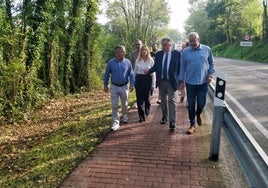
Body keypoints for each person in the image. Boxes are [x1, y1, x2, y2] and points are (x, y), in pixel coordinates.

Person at [179, 32, 215, 134]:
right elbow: (182, 67)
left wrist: (210, 74)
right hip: (190, 83)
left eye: (194, 40)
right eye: (190, 41)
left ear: (198, 39)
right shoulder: (185, 52)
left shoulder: (207, 49)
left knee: (201, 103)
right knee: (191, 105)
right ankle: (192, 125)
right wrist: (181, 81)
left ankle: (198, 113)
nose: (192, 43)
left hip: (203, 82)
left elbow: (212, 63)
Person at [146, 37, 181, 130]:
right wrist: (148, 71)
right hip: (161, 81)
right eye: (162, 45)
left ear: (170, 45)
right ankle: (165, 116)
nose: (163, 47)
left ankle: (172, 121)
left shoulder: (177, 54)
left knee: (171, 100)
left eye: (165, 45)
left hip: (172, 81)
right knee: (163, 101)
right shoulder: (159, 54)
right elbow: (156, 66)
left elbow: (181, 68)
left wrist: (181, 80)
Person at [103, 45, 135, 131]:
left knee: (124, 104)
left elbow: (131, 74)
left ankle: (124, 115)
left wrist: (132, 84)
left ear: (124, 53)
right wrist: (105, 85)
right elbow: (106, 74)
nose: (120, 53)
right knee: (114, 105)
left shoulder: (128, 62)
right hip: (114, 86)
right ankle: (116, 122)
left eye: (122, 52)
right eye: (118, 52)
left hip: (124, 86)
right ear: (116, 53)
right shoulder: (111, 62)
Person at [134, 45, 155, 122]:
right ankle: (141, 116)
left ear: (147, 51)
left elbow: (153, 73)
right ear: (141, 51)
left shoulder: (151, 60)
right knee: (139, 99)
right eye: (142, 50)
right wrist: (133, 82)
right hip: (139, 79)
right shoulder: (138, 60)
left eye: (145, 50)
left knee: (146, 98)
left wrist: (153, 84)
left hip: (147, 79)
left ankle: (147, 108)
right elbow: (135, 71)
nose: (144, 51)